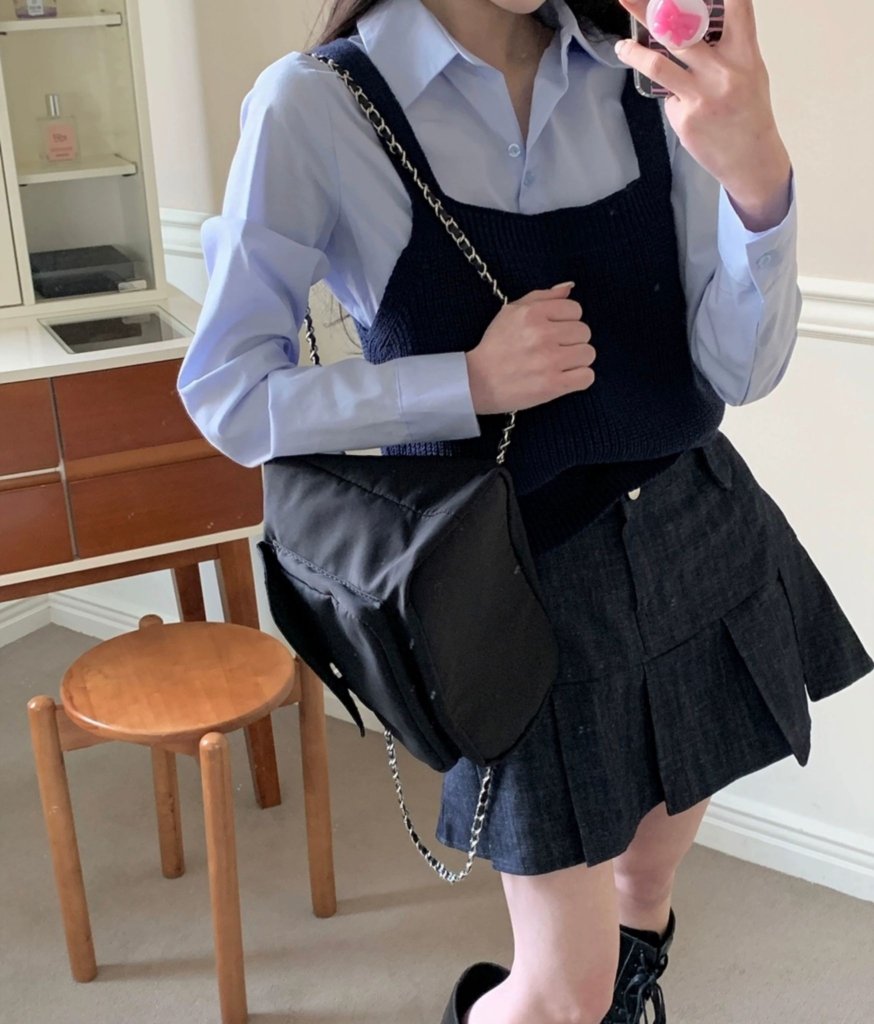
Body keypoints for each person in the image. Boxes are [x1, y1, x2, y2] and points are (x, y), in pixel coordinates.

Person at [177, 1, 874, 1021]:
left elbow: (738, 370)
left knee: (647, 882)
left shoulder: (637, 68)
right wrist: (461, 383)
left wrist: (757, 178)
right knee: (559, 992)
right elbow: (230, 395)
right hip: (518, 589)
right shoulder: (319, 105)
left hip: (700, 534)